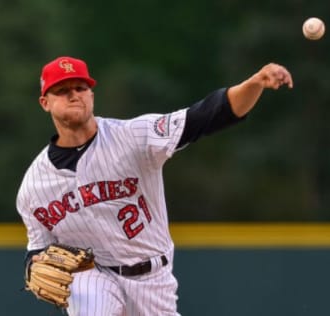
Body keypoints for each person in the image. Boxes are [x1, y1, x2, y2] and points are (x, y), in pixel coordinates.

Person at [16, 56, 293, 315]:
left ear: (91, 95)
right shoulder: (34, 186)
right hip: (93, 275)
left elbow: (207, 115)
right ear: (45, 102)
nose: (74, 94)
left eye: (80, 87)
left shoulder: (133, 136)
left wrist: (255, 83)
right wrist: (34, 264)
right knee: (87, 291)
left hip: (153, 278)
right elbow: (38, 249)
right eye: (62, 90)